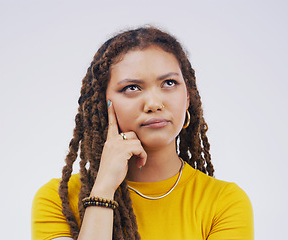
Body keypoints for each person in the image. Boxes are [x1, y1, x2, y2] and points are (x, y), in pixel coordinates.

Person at [31, 26, 254, 240]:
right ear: (102, 103)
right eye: (132, 88)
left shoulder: (225, 202)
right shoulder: (57, 200)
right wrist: (104, 188)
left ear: (188, 98)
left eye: (169, 83)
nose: (154, 103)